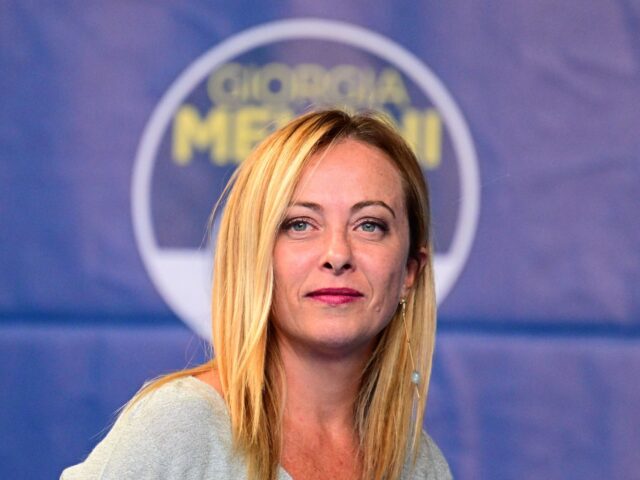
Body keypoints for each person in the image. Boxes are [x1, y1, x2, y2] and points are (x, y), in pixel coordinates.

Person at [61, 109, 452, 480]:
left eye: (369, 225)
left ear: (409, 272)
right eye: (300, 224)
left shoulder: (420, 464)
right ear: (255, 257)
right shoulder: (181, 424)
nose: (337, 255)